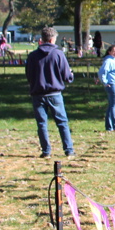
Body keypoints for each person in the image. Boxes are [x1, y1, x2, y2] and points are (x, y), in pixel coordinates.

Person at [25, 27, 75, 159]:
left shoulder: (33, 56)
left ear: (42, 38)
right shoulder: (58, 54)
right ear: (53, 39)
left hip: (38, 93)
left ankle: (46, 151)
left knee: (42, 124)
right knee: (62, 122)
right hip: (54, 93)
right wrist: (71, 75)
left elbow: (29, 75)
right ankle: (68, 150)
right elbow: (67, 76)